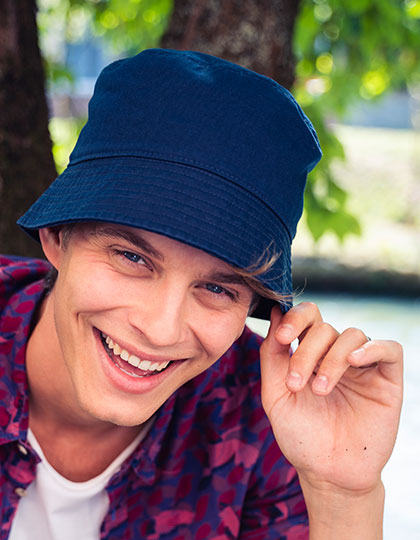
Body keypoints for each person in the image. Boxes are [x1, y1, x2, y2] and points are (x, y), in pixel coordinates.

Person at [0, 49, 402, 540]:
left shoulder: (275, 418)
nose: (160, 329)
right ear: (57, 237)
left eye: (216, 288)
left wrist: (344, 496)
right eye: (132, 257)